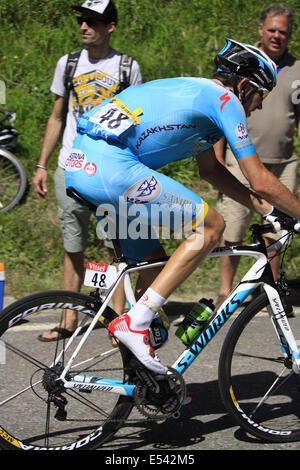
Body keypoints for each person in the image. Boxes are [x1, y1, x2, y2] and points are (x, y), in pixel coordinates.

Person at [65, 38, 300, 375]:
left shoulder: (197, 94)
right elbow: (259, 177)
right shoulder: (225, 99)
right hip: (110, 167)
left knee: (154, 272)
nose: (258, 107)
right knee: (212, 226)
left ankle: (151, 385)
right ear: (245, 85)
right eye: (260, 96)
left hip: (82, 164)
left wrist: (265, 209)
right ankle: (135, 322)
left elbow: (211, 171)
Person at [32, 0, 142, 341]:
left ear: (110, 26)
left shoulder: (127, 68)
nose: (83, 26)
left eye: (92, 21)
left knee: (116, 248)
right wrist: (41, 165)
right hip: (70, 168)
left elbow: (137, 122)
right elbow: (57, 116)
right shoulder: (67, 64)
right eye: (81, 20)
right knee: (73, 247)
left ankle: (118, 323)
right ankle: (68, 322)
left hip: (108, 172)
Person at [215, 4, 300, 308]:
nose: (278, 36)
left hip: (284, 162)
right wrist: (216, 160)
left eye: (284, 32)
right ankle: (226, 292)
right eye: (272, 30)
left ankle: (271, 291)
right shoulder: (243, 64)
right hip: (241, 161)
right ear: (261, 30)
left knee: (277, 229)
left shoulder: (298, 69)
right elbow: (220, 109)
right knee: (233, 227)